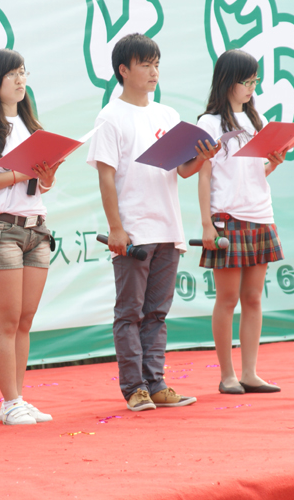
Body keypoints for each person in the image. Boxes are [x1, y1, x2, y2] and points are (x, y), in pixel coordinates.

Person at [86, 33, 215, 412]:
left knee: (157, 313)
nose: (154, 71)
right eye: (145, 64)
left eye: (157, 64)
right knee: (130, 312)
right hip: (134, 231)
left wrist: (204, 156)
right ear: (123, 70)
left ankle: (156, 383)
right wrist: (116, 227)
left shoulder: (167, 115)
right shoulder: (110, 117)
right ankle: (134, 388)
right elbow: (106, 177)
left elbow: (184, 170)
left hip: (168, 227)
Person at [0, 49, 62, 426]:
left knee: (25, 319)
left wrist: (46, 175)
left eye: (23, 72)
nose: (20, 80)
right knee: (6, 320)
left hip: (36, 228)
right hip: (1, 229)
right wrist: (19, 174)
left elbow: (42, 185)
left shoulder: (30, 124)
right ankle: (10, 402)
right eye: (12, 74)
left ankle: (18, 397)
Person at [196, 49, 286, 395]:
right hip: (227, 218)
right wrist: (207, 224)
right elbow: (204, 176)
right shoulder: (209, 123)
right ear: (227, 81)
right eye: (246, 81)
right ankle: (227, 375)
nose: (252, 88)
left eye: (255, 81)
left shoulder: (256, 119)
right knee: (228, 298)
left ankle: (250, 373)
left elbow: (253, 174)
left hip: (260, 215)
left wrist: (273, 164)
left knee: (253, 298)